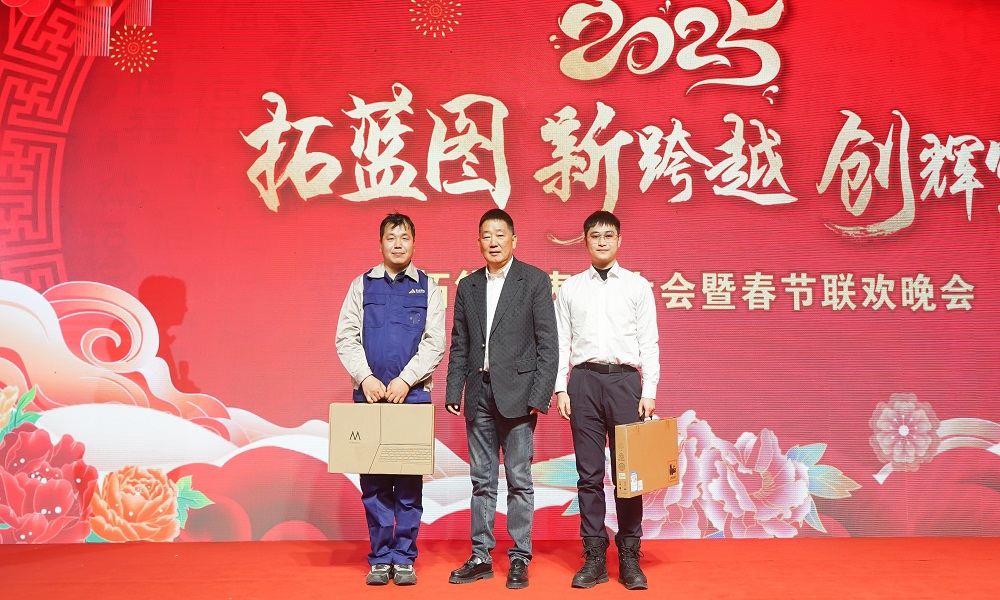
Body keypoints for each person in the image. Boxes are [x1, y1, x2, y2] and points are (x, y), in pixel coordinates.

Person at [445, 208, 558, 589]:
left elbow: (548, 345)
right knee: (482, 480)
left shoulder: (534, 281)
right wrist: (454, 389)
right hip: (478, 392)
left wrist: (540, 394)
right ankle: (480, 556)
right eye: (486, 235)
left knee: (519, 479)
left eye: (500, 234)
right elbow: (460, 343)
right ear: (478, 242)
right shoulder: (468, 286)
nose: (493, 242)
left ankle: (520, 557)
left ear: (514, 240)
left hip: (520, 396)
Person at [335, 213, 446, 586]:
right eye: (391, 237)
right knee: (374, 483)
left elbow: (434, 342)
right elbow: (346, 337)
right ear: (380, 243)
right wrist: (366, 377)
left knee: (409, 483)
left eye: (404, 237)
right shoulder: (362, 285)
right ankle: (381, 558)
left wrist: (405, 380)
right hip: (369, 398)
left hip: (411, 399)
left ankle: (405, 558)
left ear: (414, 242)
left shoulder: (428, 287)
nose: (398, 244)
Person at [554, 210, 660, 590]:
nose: (602, 241)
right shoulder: (570, 289)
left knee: (629, 475)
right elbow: (561, 342)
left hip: (625, 384)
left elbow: (649, 342)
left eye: (608, 235)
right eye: (595, 235)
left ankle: (629, 555)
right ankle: (595, 556)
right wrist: (560, 387)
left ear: (619, 241)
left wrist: (649, 390)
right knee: (589, 476)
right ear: (585, 241)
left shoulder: (636, 286)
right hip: (583, 382)